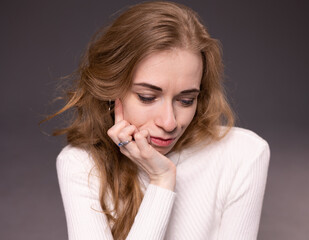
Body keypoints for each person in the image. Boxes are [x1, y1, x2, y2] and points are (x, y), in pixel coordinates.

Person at [49, 1, 270, 239]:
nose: (169, 123)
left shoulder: (243, 154)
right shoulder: (81, 164)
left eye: (186, 100)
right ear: (112, 91)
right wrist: (161, 180)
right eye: (147, 97)